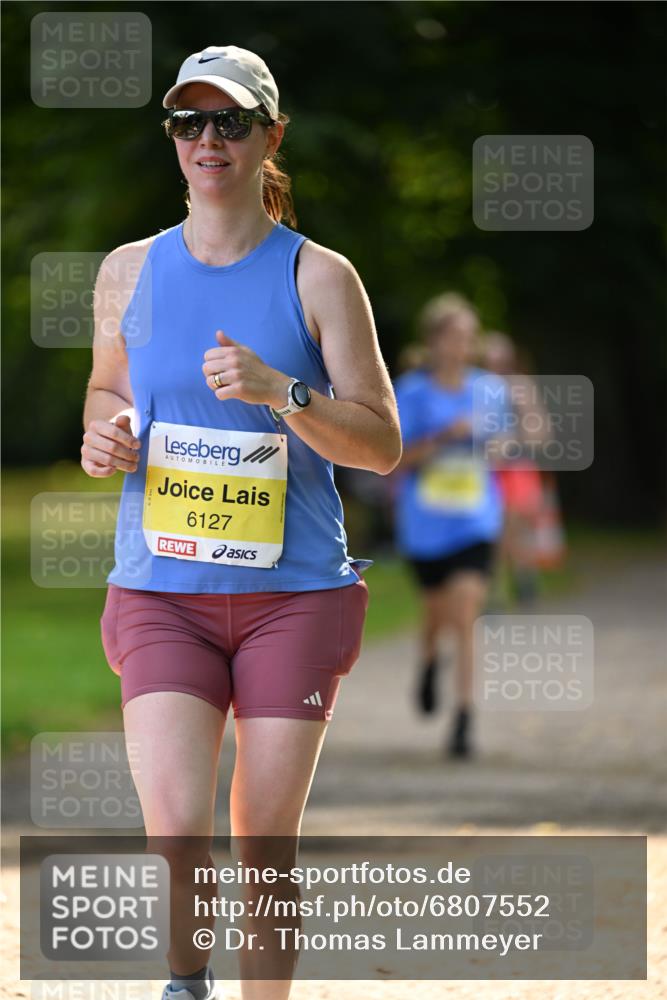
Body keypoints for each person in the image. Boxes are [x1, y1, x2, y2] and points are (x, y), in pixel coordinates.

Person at [81, 44, 401, 1000]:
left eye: (229, 121)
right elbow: (106, 392)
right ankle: (189, 980)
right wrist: (107, 439)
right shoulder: (127, 270)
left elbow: (381, 443)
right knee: (177, 830)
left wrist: (284, 390)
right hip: (160, 592)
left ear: (271, 134)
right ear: (173, 138)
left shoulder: (320, 276)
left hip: (291, 597)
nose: (207, 139)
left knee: (262, 837)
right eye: (189, 121)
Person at [392, 293, 506, 759]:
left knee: (465, 612)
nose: (462, 344)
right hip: (425, 524)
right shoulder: (412, 391)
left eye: (468, 336)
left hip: (476, 521)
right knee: (436, 613)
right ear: (434, 340)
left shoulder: (490, 390)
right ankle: (427, 660)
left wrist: (491, 442)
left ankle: (463, 717)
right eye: (453, 335)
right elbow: (395, 459)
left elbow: (503, 448)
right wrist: (443, 438)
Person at [481, 331, 549, 607]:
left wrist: (512, 439)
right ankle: (498, 592)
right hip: (484, 470)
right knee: (491, 531)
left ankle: (520, 584)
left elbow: (541, 433)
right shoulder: (473, 385)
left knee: (512, 529)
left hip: (515, 468)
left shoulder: (518, 387)